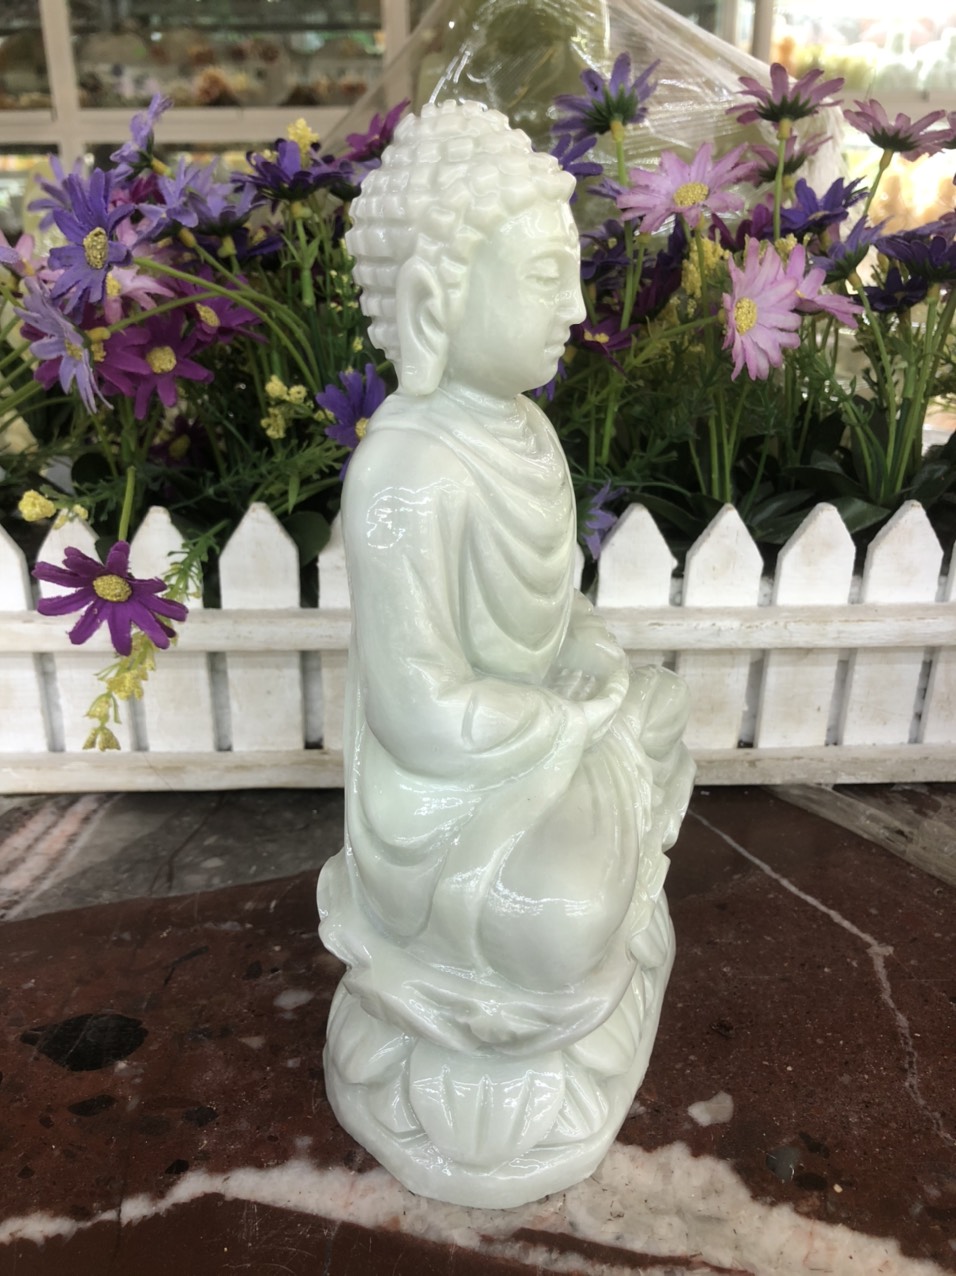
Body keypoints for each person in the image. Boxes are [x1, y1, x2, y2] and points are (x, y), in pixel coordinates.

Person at [317, 99, 694, 1208]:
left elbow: (554, 611)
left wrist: (589, 659)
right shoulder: (403, 471)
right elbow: (419, 713)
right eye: (542, 277)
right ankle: (489, 1015)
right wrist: (568, 720)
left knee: (663, 705)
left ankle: (582, 947)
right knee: (557, 921)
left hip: (539, 737)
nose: (577, 307)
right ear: (436, 300)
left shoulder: (526, 432)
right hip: (445, 799)